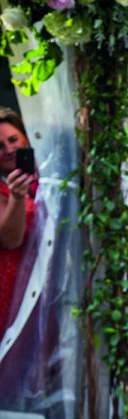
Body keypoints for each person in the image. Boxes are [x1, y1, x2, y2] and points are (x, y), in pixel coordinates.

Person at [0, 107, 36, 340]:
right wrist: (17, 197)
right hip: (11, 288)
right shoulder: (5, 190)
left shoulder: (49, 176)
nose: (9, 150)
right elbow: (10, 240)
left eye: (13, 140)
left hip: (43, 280)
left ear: (26, 137)